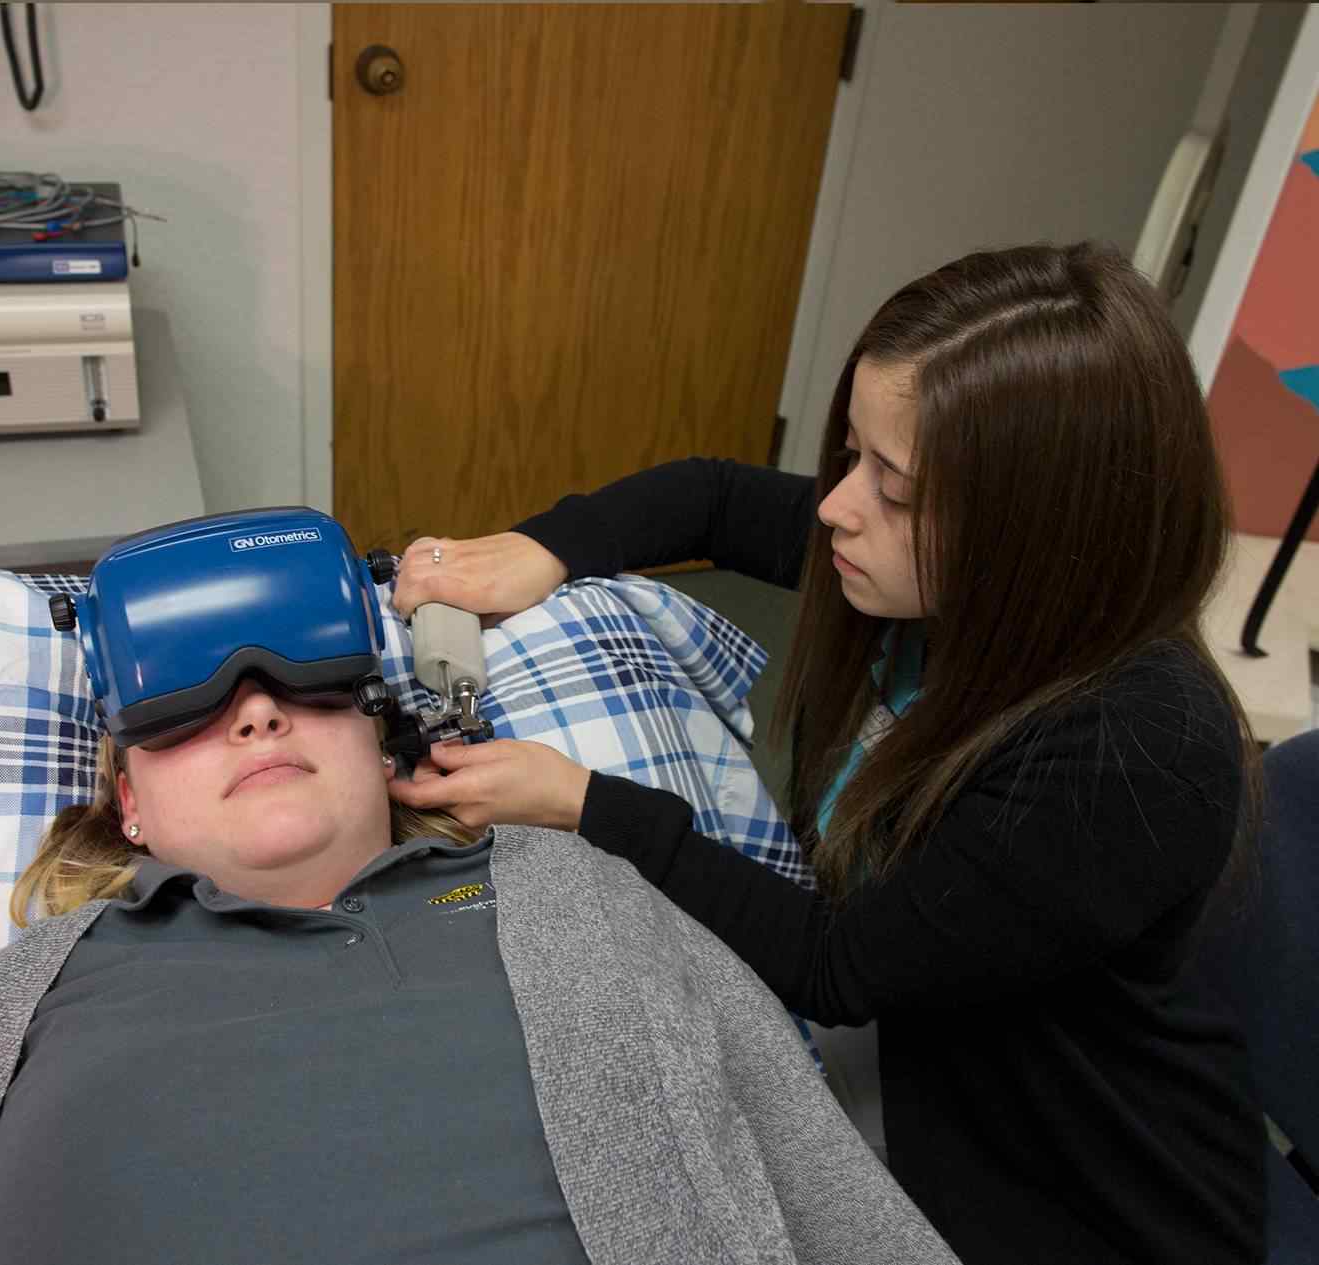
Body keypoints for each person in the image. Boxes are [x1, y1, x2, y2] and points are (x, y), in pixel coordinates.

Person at [387, 241, 1268, 1265]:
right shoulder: (920, 572)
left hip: (1067, 1183)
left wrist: (588, 802)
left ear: (1039, 529)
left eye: (892, 487)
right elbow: (710, 497)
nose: (836, 507)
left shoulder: (1132, 754)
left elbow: (837, 965)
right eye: (850, 454)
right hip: (920, 1041)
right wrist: (541, 547)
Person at [0, 676, 960, 1265]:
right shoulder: (35, 988)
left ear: (383, 749)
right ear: (127, 807)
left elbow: (801, 1155)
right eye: (182, 710)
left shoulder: (573, 890)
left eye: (305, 684)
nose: (257, 713)